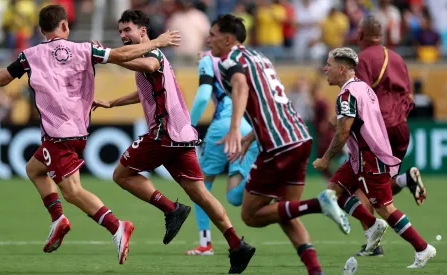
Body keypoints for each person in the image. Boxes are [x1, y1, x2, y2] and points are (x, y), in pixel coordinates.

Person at [0, 4, 181, 265]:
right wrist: (156, 41)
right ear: (65, 26)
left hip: (57, 134)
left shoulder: (28, 56)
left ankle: (117, 226)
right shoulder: (85, 49)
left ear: (41, 30)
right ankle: (58, 219)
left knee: (73, 192)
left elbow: (3, 79)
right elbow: (121, 55)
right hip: (79, 131)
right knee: (34, 169)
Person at [91, 10, 255, 274]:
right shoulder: (149, 54)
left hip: (164, 133)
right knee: (200, 193)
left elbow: (146, 65)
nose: (123, 36)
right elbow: (144, 90)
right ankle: (237, 244)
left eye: (128, 30)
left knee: (121, 174)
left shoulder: (152, 54)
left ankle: (171, 209)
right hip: (181, 135)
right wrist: (112, 102)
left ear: (143, 31)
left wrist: (110, 56)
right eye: (120, 31)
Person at [208, 14, 350, 275]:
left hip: (277, 145)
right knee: (285, 212)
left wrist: (235, 128)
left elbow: (240, 87)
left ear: (228, 39)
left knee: (250, 216)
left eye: (213, 35)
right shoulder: (260, 58)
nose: (209, 40)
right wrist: (251, 136)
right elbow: (270, 101)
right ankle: (316, 271)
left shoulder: (230, 61)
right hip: (299, 136)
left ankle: (319, 204)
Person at [314, 47, 436, 269]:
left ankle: (423, 248)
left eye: (329, 65)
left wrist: (325, 159)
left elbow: (342, 132)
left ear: (341, 69)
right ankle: (371, 225)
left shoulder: (348, 94)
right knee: (332, 192)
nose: (325, 68)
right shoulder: (363, 87)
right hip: (360, 156)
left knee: (386, 209)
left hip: (369, 157)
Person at [353, 15, 427, 256]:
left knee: (361, 188)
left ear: (361, 35)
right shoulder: (397, 58)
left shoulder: (363, 58)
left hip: (377, 130)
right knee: (380, 185)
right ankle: (406, 180)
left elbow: (359, 96)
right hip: (400, 129)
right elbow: (410, 97)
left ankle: (372, 242)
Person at [185, 50, 259, 256]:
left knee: (198, 185)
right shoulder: (237, 61)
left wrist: (187, 127)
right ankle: (267, 180)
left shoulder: (208, 60)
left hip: (222, 129)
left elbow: (202, 97)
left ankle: (205, 243)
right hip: (244, 127)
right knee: (234, 196)